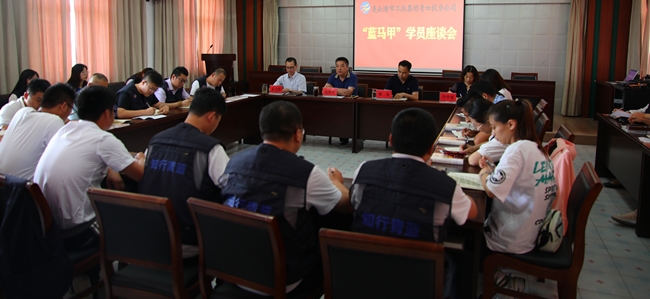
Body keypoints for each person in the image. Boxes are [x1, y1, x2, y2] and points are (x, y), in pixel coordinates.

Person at [219, 101, 350, 294]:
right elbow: (346, 205)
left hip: (235, 269)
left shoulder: (234, 162)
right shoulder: (307, 173)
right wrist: (337, 182)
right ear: (298, 134)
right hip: (282, 280)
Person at [350, 107, 477, 299]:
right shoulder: (446, 186)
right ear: (431, 148)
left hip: (364, 278)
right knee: (460, 259)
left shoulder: (364, 170)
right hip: (420, 284)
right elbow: (472, 213)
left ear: (391, 140)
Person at [34, 86, 145, 250]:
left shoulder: (65, 129)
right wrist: (142, 159)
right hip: (77, 230)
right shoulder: (103, 139)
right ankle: (122, 259)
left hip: (47, 227)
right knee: (133, 217)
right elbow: (139, 175)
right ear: (107, 113)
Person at [139, 87, 228, 256]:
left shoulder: (156, 141)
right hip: (190, 242)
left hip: (151, 237)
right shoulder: (210, 148)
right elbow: (231, 187)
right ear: (211, 116)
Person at [478, 99, 556, 254]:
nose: (493, 133)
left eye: (494, 127)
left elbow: (492, 190)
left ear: (511, 124)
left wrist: (484, 173)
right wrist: (493, 170)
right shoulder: (536, 148)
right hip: (530, 233)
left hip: (509, 238)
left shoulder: (516, 150)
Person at [0, 83, 75, 180]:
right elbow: (63, 161)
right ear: (64, 106)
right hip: (22, 186)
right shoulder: (54, 121)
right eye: (71, 109)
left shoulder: (22, 112)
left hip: (2, 181)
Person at [464, 98, 508, 166]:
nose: (476, 128)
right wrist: (474, 148)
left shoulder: (502, 140)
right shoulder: (501, 136)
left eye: (475, 125)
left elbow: (472, 160)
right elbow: (491, 142)